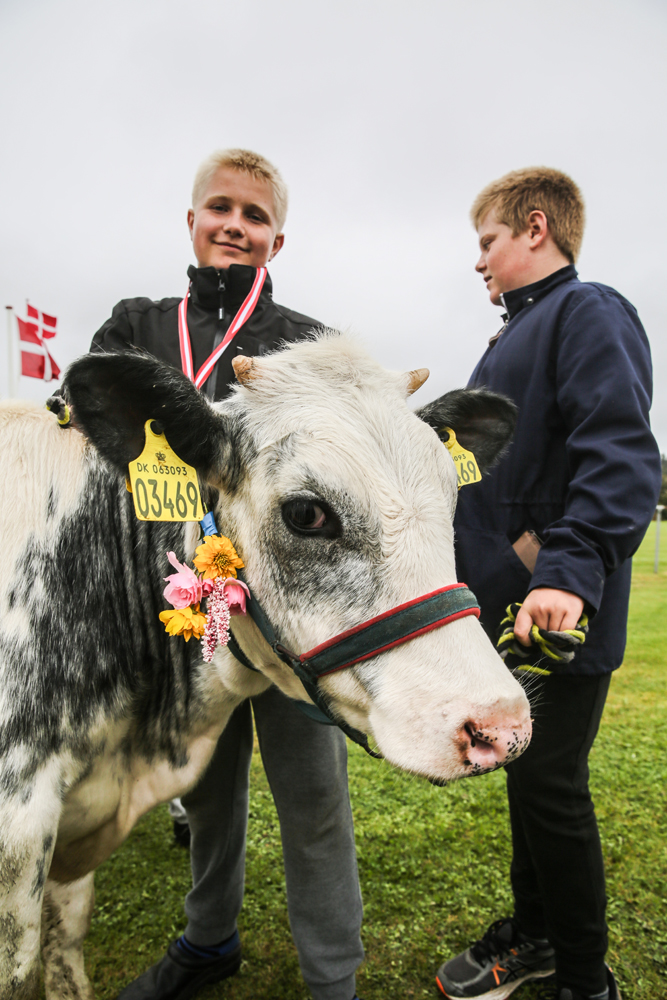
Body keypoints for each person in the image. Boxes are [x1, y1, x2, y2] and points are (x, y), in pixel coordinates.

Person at [91, 148, 364, 1000]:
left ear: (275, 241)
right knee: (205, 793)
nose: (234, 227)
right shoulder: (136, 327)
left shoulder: (311, 344)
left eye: (254, 217)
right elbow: (92, 441)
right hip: (182, 613)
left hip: (289, 617)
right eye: (221, 209)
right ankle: (208, 942)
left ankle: (333, 982)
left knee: (312, 798)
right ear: (193, 220)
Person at [435, 168, 661, 1000]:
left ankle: (581, 978)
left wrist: (564, 569)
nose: (479, 261)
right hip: (499, 613)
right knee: (528, 782)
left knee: (551, 790)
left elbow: (620, 453)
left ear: (535, 228)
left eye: (486, 241)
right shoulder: (507, 337)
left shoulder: (586, 309)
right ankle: (533, 939)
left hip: (555, 609)